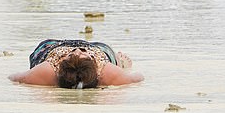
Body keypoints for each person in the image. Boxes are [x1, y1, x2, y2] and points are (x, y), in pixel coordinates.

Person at [9, 39, 144, 88]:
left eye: (73, 54)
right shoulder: (106, 72)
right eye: (81, 54)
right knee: (109, 54)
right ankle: (119, 62)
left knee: (43, 45)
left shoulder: (46, 71)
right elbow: (138, 77)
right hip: (98, 49)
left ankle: (119, 62)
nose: (78, 49)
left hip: (53, 46)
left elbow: (14, 77)